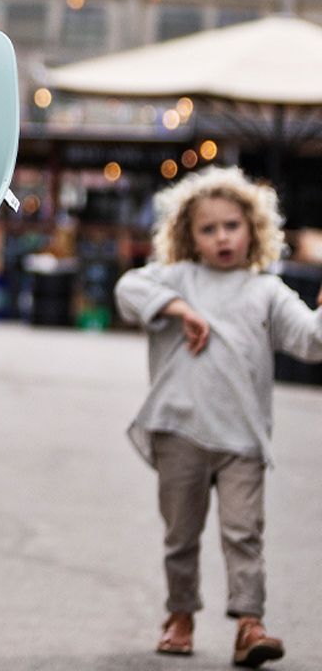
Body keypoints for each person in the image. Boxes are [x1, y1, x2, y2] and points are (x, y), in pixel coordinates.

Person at [114, 164, 322, 667]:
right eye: (208, 229)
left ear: (254, 229)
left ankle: (250, 626)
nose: (222, 237)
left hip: (242, 440)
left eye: (232, 225)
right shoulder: (176, 278)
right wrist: (180, 309)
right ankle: (180, 615)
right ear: (190, 236)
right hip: (179, 431)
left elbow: (311, 341)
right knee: (180, 536)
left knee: (244, 533)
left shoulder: (266, 290)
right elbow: (127, 292)